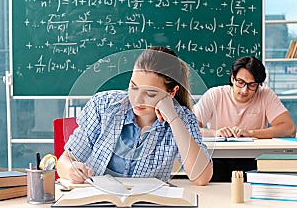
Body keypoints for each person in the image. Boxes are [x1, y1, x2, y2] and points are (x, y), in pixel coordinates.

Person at [57, 46, 213, 186]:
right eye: (134, 87)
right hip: (97, 204)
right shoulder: (103, 105)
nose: (137, 99)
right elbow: (65, 161)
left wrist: (173, 119)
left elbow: (201, 177)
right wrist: (71, 170)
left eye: (150, 93)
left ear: (172, 92)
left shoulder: (183, 119)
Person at [193, 56, 296, 182]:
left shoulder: (265, 95)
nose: (244, 90)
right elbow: (190, 129)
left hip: (253, 159)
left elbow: (289, 129)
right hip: (218, 159)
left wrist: (251, 133)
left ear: (258, 85)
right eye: (240, 82)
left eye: (252, 85)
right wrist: (216, 133)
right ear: (232, 78)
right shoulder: (215, 95)